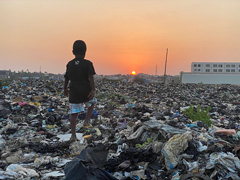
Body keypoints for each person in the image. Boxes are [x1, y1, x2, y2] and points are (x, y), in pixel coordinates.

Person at [64, 40, 96, 141]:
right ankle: (86, 121)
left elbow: (66, 78)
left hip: (74, 92)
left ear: (73, 52)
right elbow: (91, 77)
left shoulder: (69, 64)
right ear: (85, 51)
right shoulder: (88, 63)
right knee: (91, 103)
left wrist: (65, 88)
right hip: (86, 91)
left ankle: (73, 135)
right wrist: (93, 90)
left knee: (74, 114)